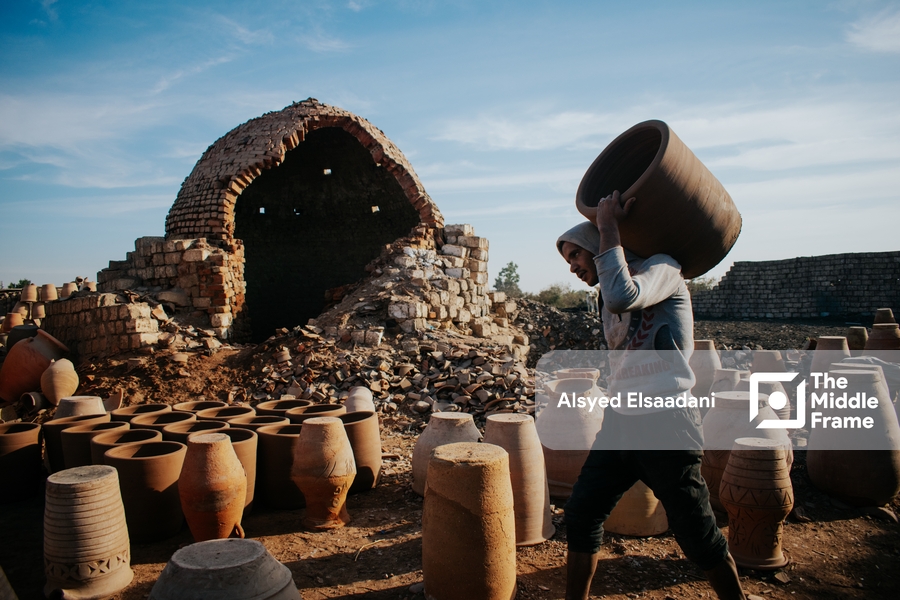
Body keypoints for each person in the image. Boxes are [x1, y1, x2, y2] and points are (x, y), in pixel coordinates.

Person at [556, 190, 746, 600]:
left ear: (595, 246)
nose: (572, 266)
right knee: (583, 513)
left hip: (667, 423)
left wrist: (608, 225)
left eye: (575, 255)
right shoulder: (606, 295)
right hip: (621, 423)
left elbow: (627, 293)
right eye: (567, 259)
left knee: (696, 532)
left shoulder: (664, 269)